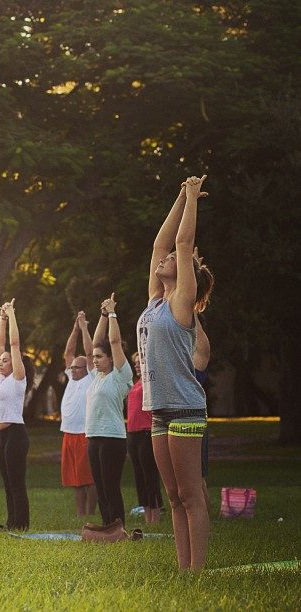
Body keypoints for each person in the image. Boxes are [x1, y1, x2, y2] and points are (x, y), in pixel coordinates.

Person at [137, 175, 215, 571]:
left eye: (172, 262)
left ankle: (197, 573)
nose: (164, 259)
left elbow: (182, 245)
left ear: (188, 278)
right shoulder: (154, 301)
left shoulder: (182, 302)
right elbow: (160, 244)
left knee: (191, 495)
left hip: (185, 408)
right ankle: (183, 571)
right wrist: (179, 196)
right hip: (159, 410)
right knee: (173, 497)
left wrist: (193, 198)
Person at [79, 295, 133, 527]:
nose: (95, 360)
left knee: (111, 487)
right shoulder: (96, 377)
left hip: (112, 438)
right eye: (94, 357)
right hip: (94, 437)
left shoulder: (120, 375)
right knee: (100, 488)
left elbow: (114, 341)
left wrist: (111, 313)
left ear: (111, 359)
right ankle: (106, 527)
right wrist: (101, 315)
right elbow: (96, 343)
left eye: (100, 357)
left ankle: (117, 527)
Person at [0, 298, 34, 530]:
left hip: (16, 434)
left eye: (5, 361)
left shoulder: (18, 379)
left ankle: (21, 524)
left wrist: (12, 314)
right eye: (0, 361)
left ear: (15, 363)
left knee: (16, 483)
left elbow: (13, 344)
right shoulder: (0, 379)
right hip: (2, 436)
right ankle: (11, 523)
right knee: (7, 483)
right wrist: (1, 318)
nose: (1, 362)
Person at [59, 313, 97, 517]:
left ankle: (90, 513)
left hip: (84, 433)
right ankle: (80, 515)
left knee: (89, 478)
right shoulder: (71, 378)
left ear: (86, 369)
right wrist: (74, 329)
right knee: (75, 479)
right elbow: (68, 353)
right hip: (69, 433)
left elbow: (90, 353)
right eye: (71, 367)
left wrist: (84, 328)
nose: (72, 369)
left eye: (76, 367)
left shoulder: (91, 378)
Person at [126, 352, 163, 524]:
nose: (136, 365)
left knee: (150, 476)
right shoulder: (136, 384)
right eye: (135, 363)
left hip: (146, 433)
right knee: (139, 477)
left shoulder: (152, 383)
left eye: (139, 362)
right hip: (132, 433)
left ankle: (155, 517)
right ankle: (147, 516)